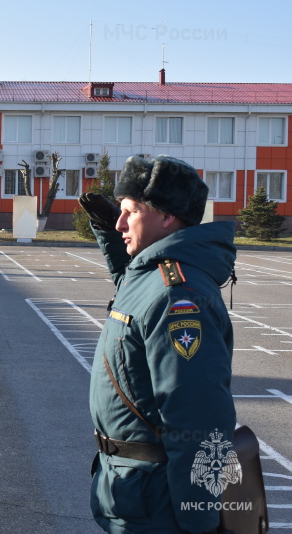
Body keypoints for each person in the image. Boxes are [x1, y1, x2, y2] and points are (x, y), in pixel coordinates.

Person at [79, 155, 237, 534]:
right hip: (133, 494)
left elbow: (197, 417)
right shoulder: (151, 276)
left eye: (129, 212)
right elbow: (132, 292)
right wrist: (111, 237)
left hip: (158, 506)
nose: (119, 223)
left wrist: (199, 521)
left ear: (167, 218)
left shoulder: (178, 296)